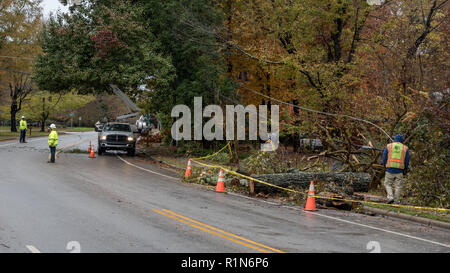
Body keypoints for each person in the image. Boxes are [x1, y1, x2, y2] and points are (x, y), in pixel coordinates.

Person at [382, 134, 410, 204]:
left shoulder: (389, 146)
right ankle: (396, 201)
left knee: (388, 184)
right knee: (398, 186)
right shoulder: (405, 148)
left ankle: (390, 197)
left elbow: (384, 157)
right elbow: (407, 160)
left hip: (389, 169)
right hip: (400, 170)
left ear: (395, 139)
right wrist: (405, 169)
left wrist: (385, 165)